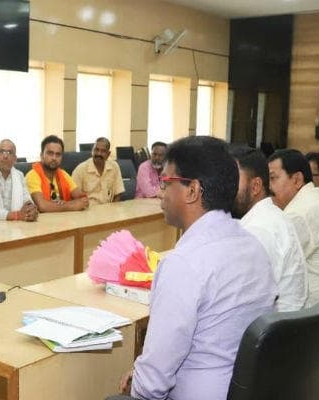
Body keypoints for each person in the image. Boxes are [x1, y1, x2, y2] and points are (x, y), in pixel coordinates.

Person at [109, 136, 276, 400]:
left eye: (166, 183)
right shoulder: (253, 246)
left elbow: (151, 385)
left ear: (192, 190)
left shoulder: (184, 264)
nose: (161, 193)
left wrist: (137, 383)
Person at [230, 146, 307, 311]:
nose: (225, 188)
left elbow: (240, 301)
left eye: (233, 181)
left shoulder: (259, 229)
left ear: (255, 186)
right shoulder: (267, 216)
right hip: (276, 321)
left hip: (273, 323)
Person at [268, 149, 319, 307]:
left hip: (310, 311)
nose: (268, 186)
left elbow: (271, 267)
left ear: (297, 180)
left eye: (273, 178)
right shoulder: (314, 200)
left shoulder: (300, 214)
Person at [0, 139, 38, 221]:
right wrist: (16, 215)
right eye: (1, 152)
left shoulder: (19, 176)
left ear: (15, 159)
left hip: (18, 225)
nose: (5, 156)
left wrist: (30, 209)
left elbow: (27, 200)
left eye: (9, 152)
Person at [25, 135, 89, 212]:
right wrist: (70, 205)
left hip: (65, 218)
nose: (54, 158)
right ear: (41, 155)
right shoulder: (32, 176)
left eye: (58, 154)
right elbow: (42, 206)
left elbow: (83, 199)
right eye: (50, 153)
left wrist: (64, 205)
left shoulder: (63, 174)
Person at [71, 137, 124, 204]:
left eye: (103, 151)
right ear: (92, 151)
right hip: (88, 209)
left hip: (109, 208)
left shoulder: (114, 166)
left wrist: (113, 209)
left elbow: (118, 193)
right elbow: (73, 197)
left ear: (108, 154)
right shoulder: (80, 170)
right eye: (96, 150)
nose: (99, 153)